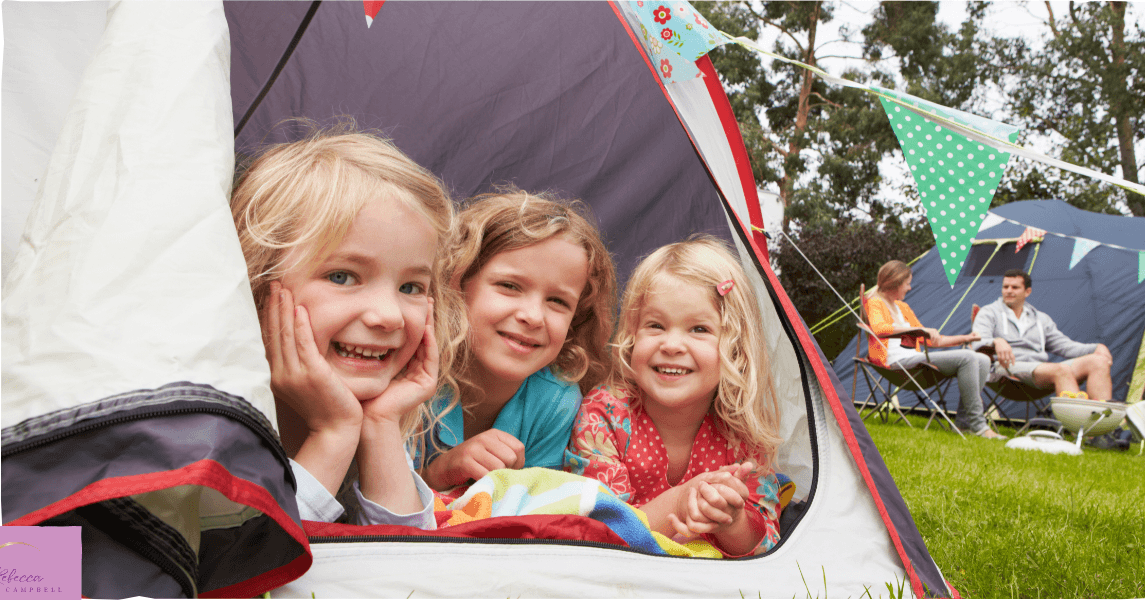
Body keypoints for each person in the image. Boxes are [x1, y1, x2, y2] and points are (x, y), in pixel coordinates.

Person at [231, 124, 462, 526]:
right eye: (342, 276)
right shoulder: (200, 430)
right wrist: (332, 435)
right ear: (256, 283)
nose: (388, 315)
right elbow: (244, 575)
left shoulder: (379, 417)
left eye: (411, 286)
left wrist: (382, 426)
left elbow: (407, 580)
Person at [566, 236, 782, 557]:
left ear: (734, 349)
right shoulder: (605, 415)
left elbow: (764, 543)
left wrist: (731, 521)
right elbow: (600, 529)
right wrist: (681, 502)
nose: (672, 345)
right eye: (656, 325)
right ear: (631, 336)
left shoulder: (743, 433)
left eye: (699, 329)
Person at [418, 191, 617, 493]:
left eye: (558, 301)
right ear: (456, 283)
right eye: (509, 286)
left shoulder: (556, 400)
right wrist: (440, 473)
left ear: (576, 319)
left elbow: (534, 515)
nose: (533, 316)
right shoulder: (413, 370)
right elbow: (369, 503)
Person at [864, 260, 1004, 439]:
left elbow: (931, 341)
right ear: (896, 282)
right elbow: (879, 329)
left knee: (982, 359)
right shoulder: (876, 302)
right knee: (968, 358)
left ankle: (964, 424)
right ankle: (979, 426)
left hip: (915, 359)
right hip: (895, 363)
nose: (910, 288)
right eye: (907, 283)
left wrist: (966, 338)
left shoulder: (902, 307)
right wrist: (919, 331)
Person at [971, 269, 1113, 400]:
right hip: (1007, 370)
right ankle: (1078, 424)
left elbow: (1065, 346)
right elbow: (977, 340)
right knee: (1062, 370)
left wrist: (1096, 348)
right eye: (1005, 287)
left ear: (1027, 292)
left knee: (1098, 362)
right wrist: (996, 341)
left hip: (1040, 371)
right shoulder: (989, 312)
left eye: (1014, 287)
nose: (1008, 291)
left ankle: (1102, 422)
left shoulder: (1041, 319)